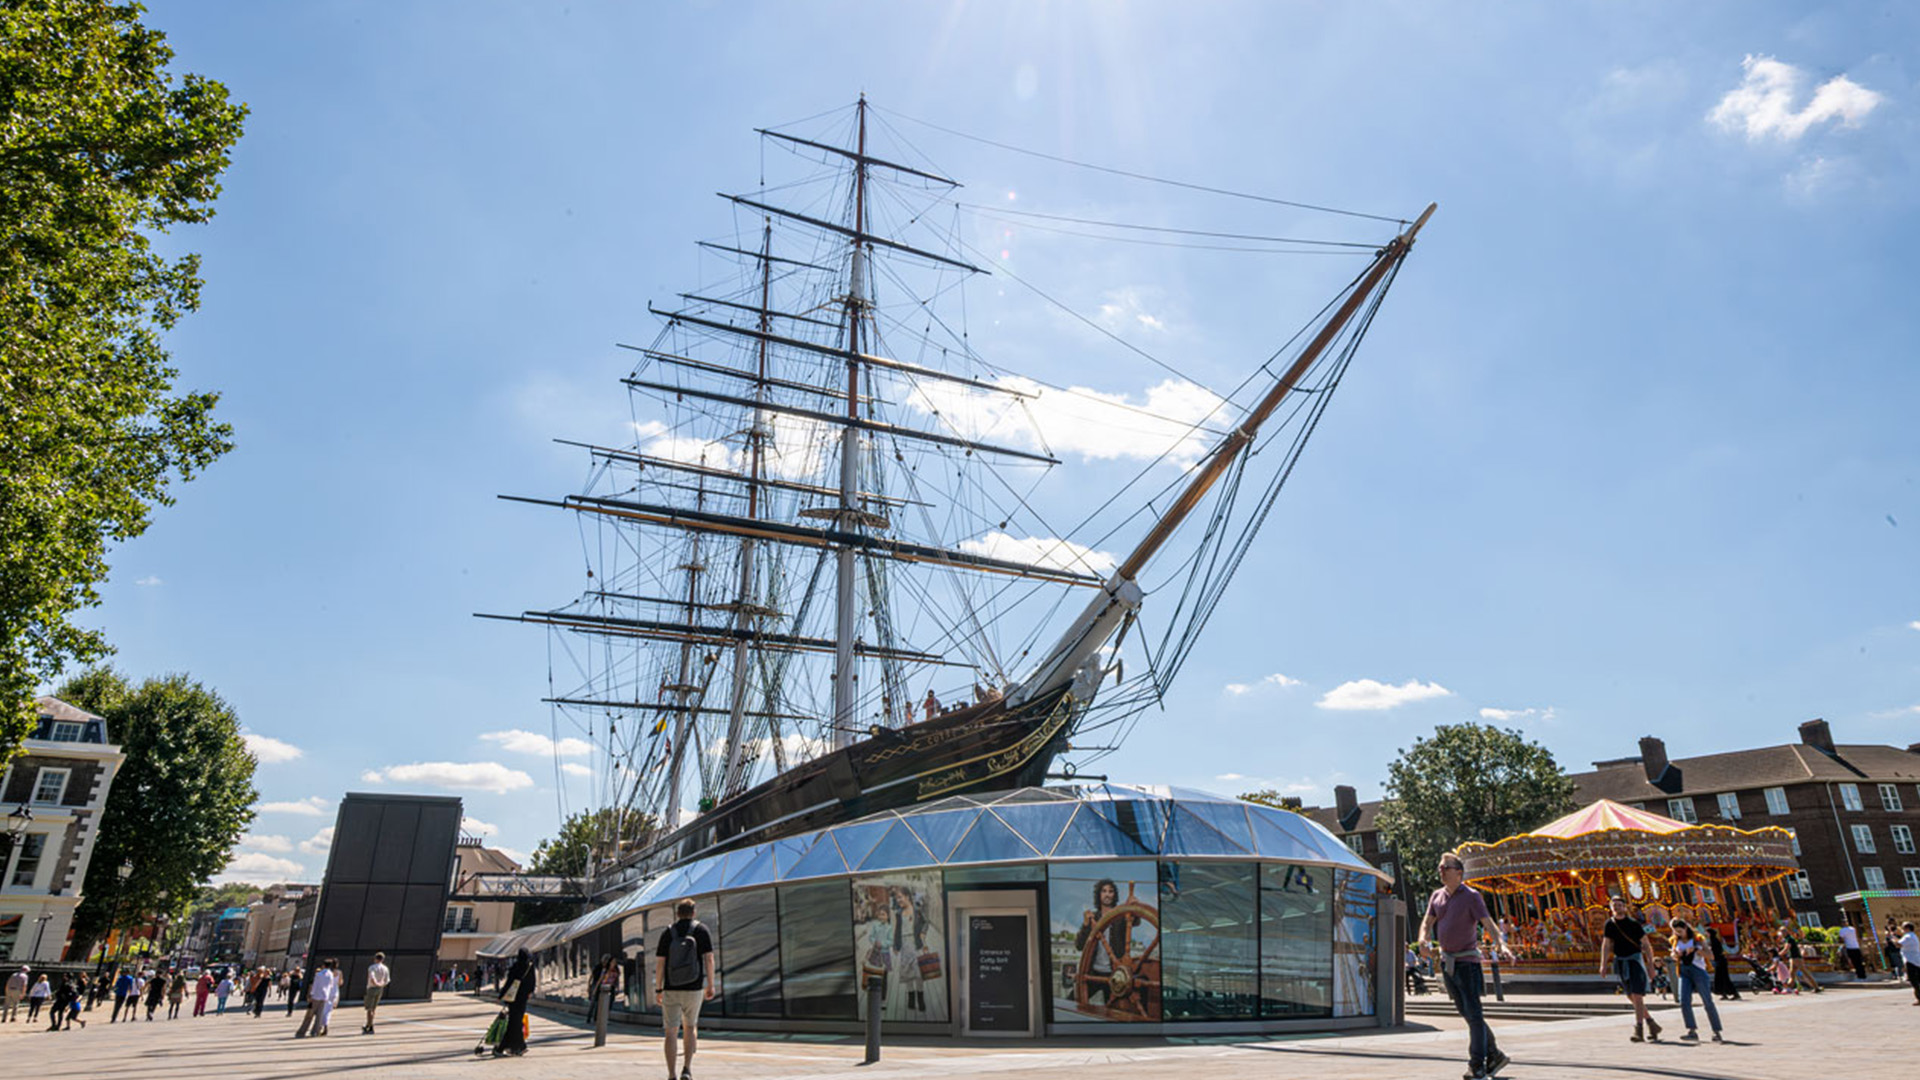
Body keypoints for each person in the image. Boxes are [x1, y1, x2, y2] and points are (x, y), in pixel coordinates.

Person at [1417, 851, 1514, 1080]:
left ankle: (1476, 1065)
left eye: (1445, 867)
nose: (1441, 870)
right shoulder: (1436, 896)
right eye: (1440, 867)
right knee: (1468, 1014)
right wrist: (1422, 939)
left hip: (1467, 963)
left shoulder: (1472, 896)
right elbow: (1427, 922)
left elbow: (1488, 923)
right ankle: (1495, 1054)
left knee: (1474, 1013)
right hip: (1447, 963)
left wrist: (1502, 944)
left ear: (1458, 872)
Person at [654, 898, 715, 1080]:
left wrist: (658, 989)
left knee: (671, 1031)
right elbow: (709, 959)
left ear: (677, 913)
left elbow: (660, 963)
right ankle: (687, 1069)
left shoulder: (668, 932)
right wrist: (710, 985)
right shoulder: (701, 930)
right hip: (694, 987)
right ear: (694, 912)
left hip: (671, 988)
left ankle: (671, 1074)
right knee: (690, 1026)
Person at [1598, 895, 1661, 1043]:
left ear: (1624, 907)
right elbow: (1606, 945)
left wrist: (1651, 966)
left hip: (1634, 961)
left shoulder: (1633, 924)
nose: (1617, 907)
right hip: (1620, 961)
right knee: (1631, 996)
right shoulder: (1610, 924)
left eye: (1619, 905)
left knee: (1637, 995)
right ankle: (1652, 1024)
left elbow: (1646, 944)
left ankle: (1639, 1029)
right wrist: (1603, 964)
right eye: (1614, 905)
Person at [1073, 879, 1127, 1007]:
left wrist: (1134, 906)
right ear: (1099, 895)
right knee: (1073, 1001)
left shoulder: (1121, 916)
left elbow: (1135, 921)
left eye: (1110, 891)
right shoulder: (1093, 918)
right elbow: (1079, 946)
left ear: (1114, 895)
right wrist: (1086, 925)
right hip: (1094, 973)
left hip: (1115, 975)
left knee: (1116, 1013)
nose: (1107, 894)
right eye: (1104, 891)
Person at [1667, 919, 1723, 1042]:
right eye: (1676, 931)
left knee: (1707, 1001)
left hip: (1698, 970)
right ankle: (1691, 1030)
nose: (1678, 934)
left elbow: (1710, 955)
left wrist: (1696, 950)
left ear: (1686, 928)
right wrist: (1676, 954)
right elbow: (1672, 954)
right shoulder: (1675, 940)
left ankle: (1716, 1031)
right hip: (1683, 970)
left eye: (1680, 931)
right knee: (1684, 1001)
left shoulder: (1698, 938)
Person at [496, 946, 535, 1058]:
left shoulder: (515, 967)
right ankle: (515, 1047)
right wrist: (528, 993)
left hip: (513, 998)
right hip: (523, 999)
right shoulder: (530, 967)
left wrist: (501, 996)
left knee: (514, 1023)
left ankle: (512, 1047)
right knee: (515, 1022)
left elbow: (509, 983)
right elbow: (532, 983)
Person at [295, 958, 339, 1037]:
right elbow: (331, 986)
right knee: (319, 1015)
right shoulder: (330, 975)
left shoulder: (318, 974)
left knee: (309, 1015)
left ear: (323, 965)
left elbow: (315, 986)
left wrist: (311, 995)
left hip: (316, 996)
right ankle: (315, 1031)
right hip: (325, 997)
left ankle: (302, 1031)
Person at [1706, 927, 1739, 1001]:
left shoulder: (1714, 941)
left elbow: (1716, 951)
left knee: (1724, 978)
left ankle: (1734, 993)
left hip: (1720, 962)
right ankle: (1723, 993)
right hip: (1719, 961)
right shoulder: (1713, 940)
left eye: (1707, 933)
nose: (1706, 934)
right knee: (1720, 978)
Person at [363, 952, 391, 1033]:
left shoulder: (372, 967)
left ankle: (369, 1025)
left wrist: (376, 983)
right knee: (374, 1008)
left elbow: (372, 977)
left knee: (369, 1009)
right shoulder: (385, 968)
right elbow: (387, 980)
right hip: (380, 989)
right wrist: (381, 984)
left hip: (372, 988)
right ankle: (370, 1024)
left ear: (375, 958)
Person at [1898, 921, 1920, 1004]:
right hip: (1916, 960)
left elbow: (1898, 944)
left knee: (1914, 980)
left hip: (1910, 960)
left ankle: (1919, 998)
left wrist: (1892, 938)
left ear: (1907, 928)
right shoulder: (1912, 936)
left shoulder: (1907, 936)